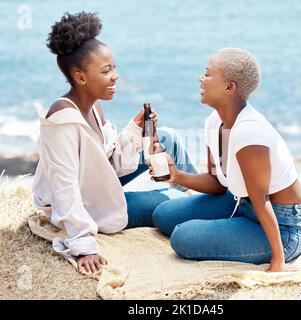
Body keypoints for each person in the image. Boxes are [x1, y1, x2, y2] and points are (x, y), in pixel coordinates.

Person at [32, 12, 198, 274]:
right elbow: (65, 186)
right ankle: (202, 207)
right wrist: (84, 245)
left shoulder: (94, 106)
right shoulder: (61, 121)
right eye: (106, 70)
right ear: (81, 77)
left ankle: (204, 196)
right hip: (90, 203)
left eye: (114, 67)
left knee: (167, 136)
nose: (115, 76)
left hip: (99, 183)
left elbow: (109, 163)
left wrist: (136, 127)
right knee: (170, 197)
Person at [151, 48, 301, 272]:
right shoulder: (214, 122)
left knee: (182, 237)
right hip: (238, 202)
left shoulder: (249, 133)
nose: (200, 78)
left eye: (207, 74)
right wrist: (176, 175)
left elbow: (261, 200)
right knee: (164, 215)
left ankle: (277, 249)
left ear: (229, 87)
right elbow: (217, 183)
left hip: (282, 227)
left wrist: (278, 259)